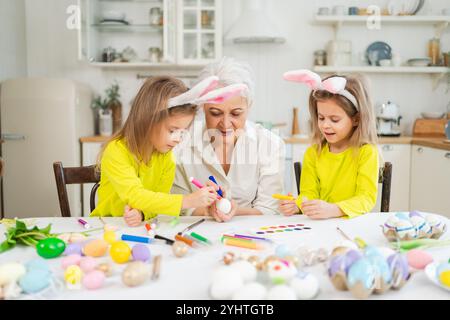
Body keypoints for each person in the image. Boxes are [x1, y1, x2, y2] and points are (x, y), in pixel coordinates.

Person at [90, 76, 229, 227]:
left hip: (133, 229)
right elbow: (135, 195)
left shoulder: (166, 159)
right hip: (104, 226)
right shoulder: (116, 151)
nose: (178, 139)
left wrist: (142, 214)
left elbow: (157, 204)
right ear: (148, 121)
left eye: (183, 132)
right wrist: (188, 200)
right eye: (172, 130)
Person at [172, 57, 286, 222]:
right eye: (215, 113)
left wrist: (234, 210)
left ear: (249, 106)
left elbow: (270, 209)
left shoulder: (270, 144)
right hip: (197, 233)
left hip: (252, 235)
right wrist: (206, 211)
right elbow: (176, 204)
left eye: (236, 113)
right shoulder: (181, 142)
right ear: (202, 107)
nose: (225, 124)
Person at [278, 69, 379, 219]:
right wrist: (298, 204)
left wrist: (335, 209)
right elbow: (309, 193)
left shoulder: (367, 153)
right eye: (321, 118)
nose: (325, 125)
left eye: (334, 119)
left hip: (353, 226)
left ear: (356, 119)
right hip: (320, 226)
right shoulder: (313, 153)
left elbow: (366, 199)